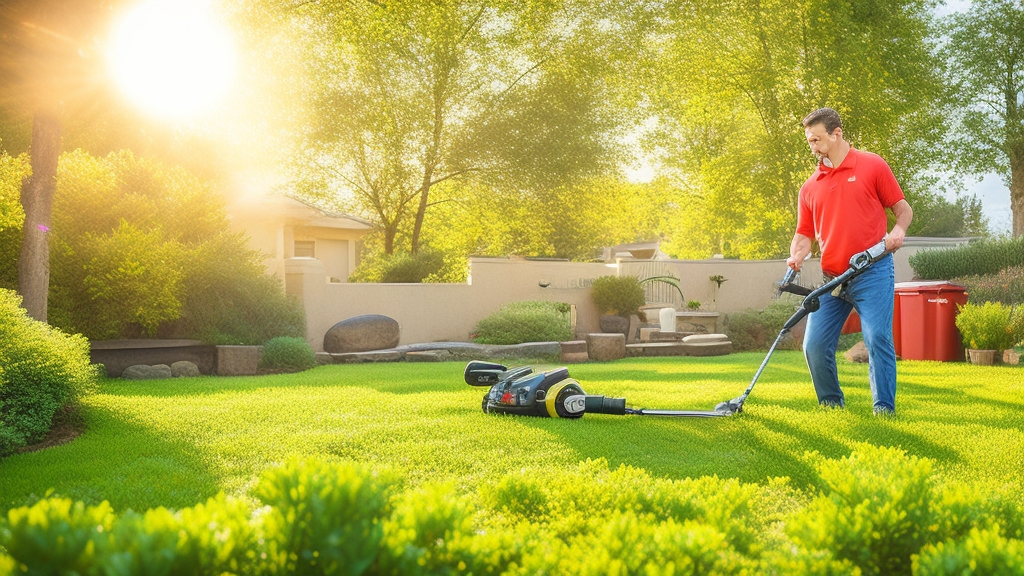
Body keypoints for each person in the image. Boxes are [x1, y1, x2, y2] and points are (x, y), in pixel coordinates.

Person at [786, 107, 913, 415]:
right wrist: (796, 255)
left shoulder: (872, 165)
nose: (812, 147)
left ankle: (884, 408)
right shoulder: (810, 187)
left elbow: (903, 210)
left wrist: (897, 232)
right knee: (814, 345)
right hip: (833, 279)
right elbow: (804, 235)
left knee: (877, 337)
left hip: (873, 271)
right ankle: (831, 405)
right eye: (809, 141)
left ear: (837, 133)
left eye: (816, 139)